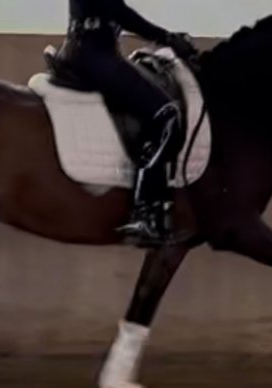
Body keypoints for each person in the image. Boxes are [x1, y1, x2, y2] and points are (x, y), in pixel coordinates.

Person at [58, 1, 198, 245]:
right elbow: (119, 12)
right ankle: (145, 211)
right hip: (95, 57)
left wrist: (166, 37)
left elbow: (118, 12)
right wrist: (167, 38)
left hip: (87, 51)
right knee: (168, 116)